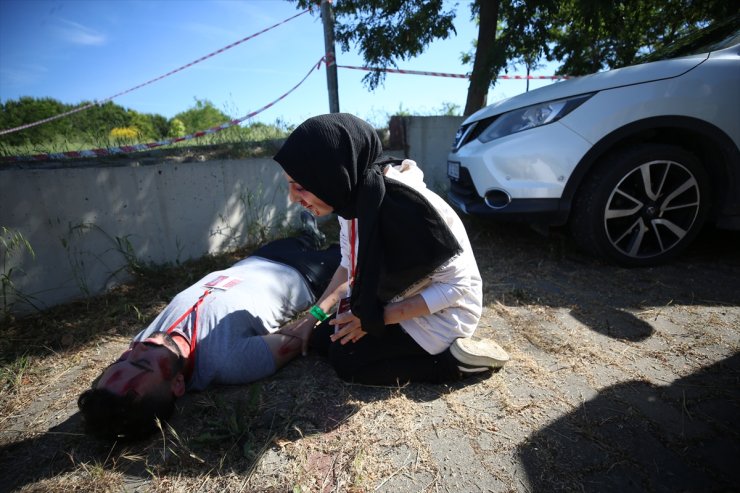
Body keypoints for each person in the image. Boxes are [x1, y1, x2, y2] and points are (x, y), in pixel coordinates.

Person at [273, 113, 510, 386]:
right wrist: (312, 318)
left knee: (346, 361)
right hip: (396, 302)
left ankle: (453, 364)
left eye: (300, 187)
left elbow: (458, 287)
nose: (292, 199)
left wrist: (375, 319)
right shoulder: (350, 201)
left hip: (443, 315)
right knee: (320, 339)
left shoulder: (409, 210)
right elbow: (349, 267)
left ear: (331, 174)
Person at [78, 219, 339, 441]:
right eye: (143, 363)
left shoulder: (145, 346)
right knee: (352, 245)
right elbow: (301, 336)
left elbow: (110, 387)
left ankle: (309, 236)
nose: (137, 347)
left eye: (124, 357)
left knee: (301, 240)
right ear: (178, 384)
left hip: (258, 259)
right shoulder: (229, 361)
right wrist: (321, 311)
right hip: (306, 275)